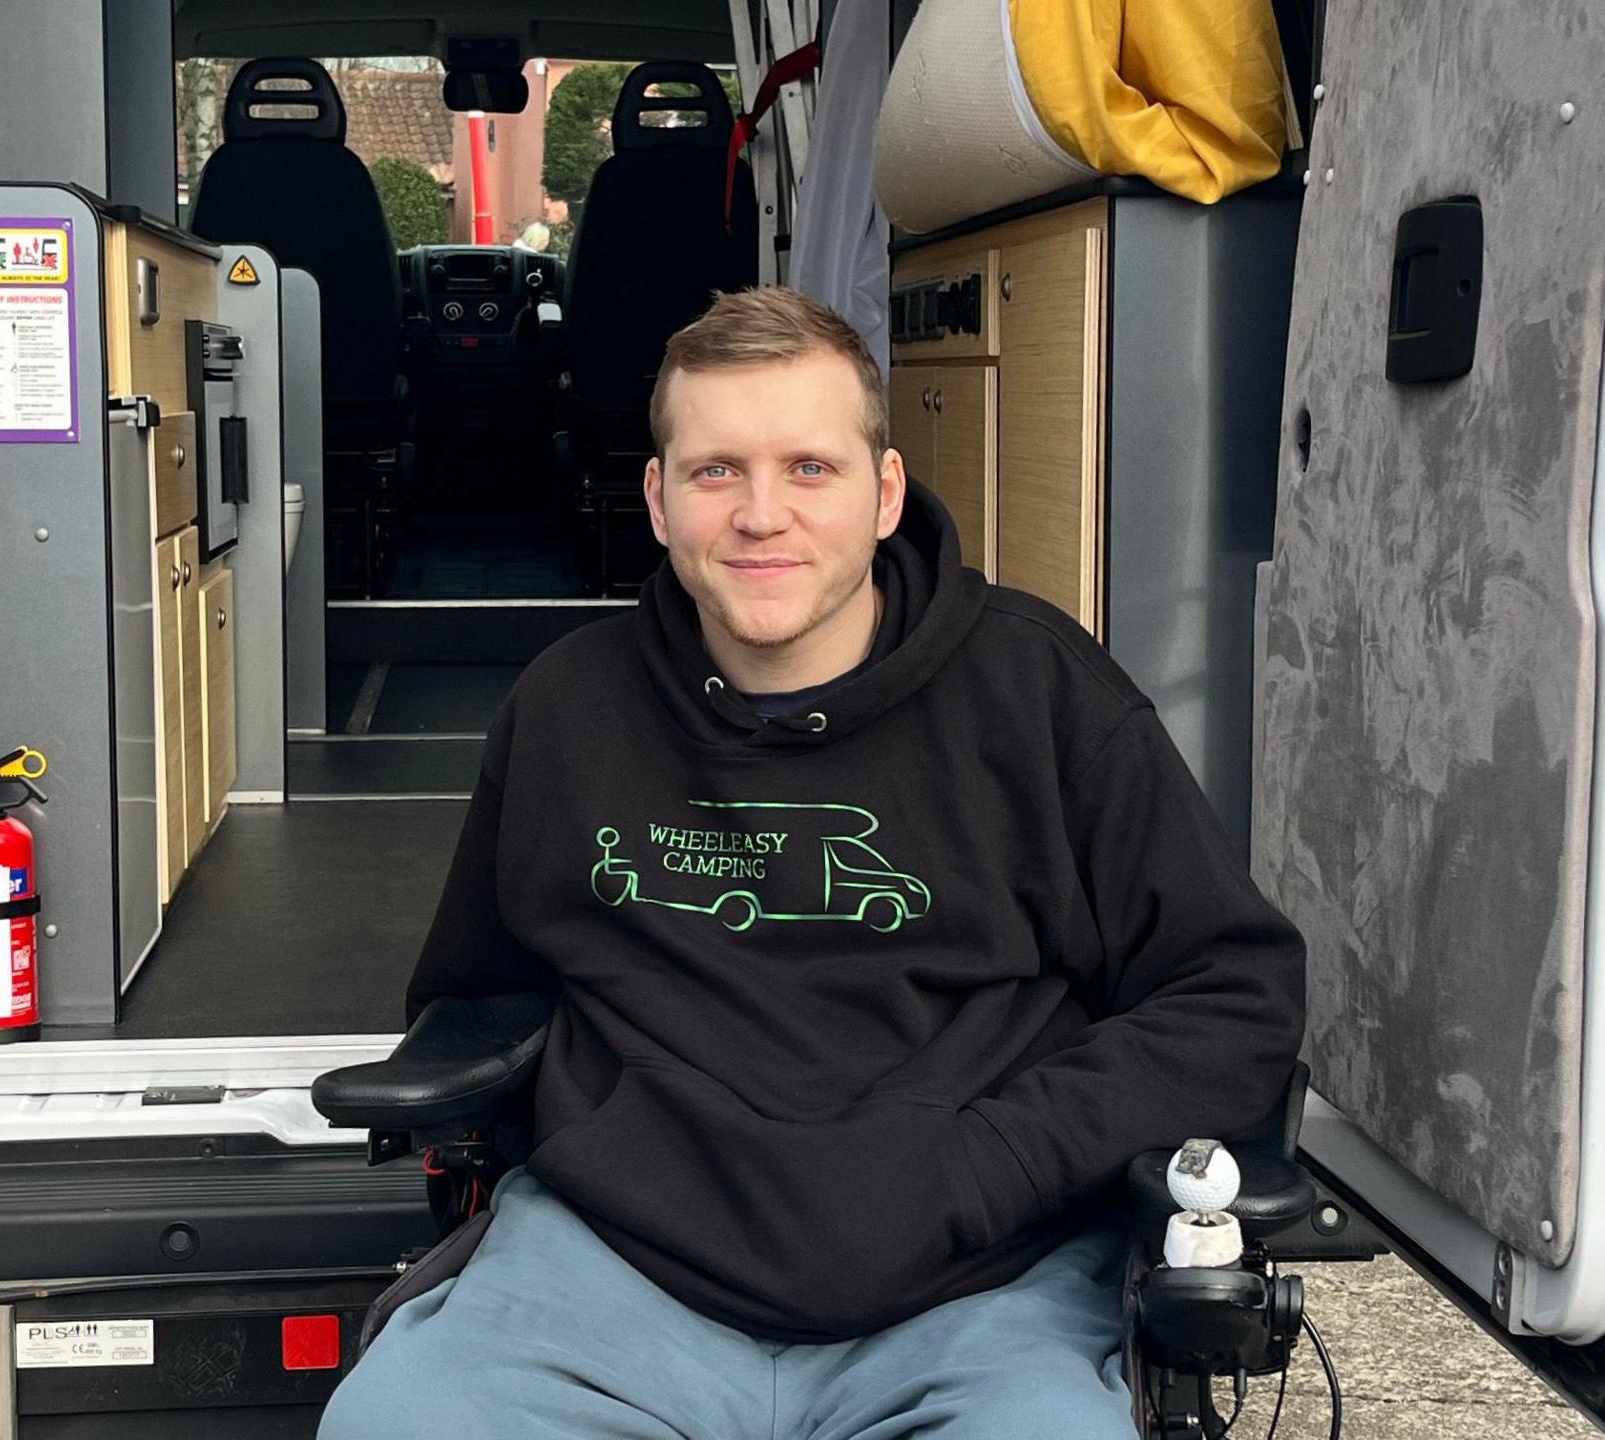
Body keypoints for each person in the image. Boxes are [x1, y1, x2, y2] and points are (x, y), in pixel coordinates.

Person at [319, 287, 1307, 1438]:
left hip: (978, 1286)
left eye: (809, 469)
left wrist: (987, 1163)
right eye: (714, 471)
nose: (759, 515)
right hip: (615, 1274)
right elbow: (479, 991)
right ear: (655, 498)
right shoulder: (567, 706)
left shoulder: (1040, 694)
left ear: (884, 494)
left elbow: (1234, 997)